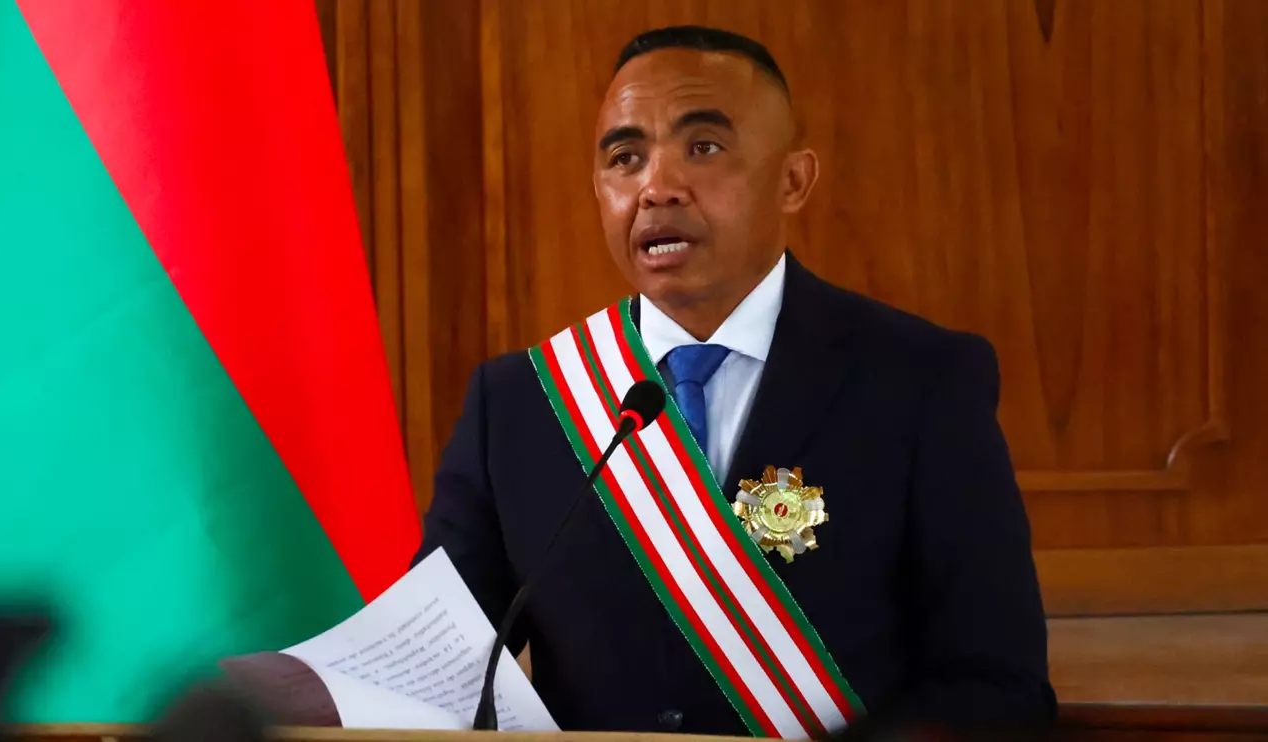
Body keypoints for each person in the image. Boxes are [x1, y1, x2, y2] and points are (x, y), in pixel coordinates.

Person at [413, 25, 1055, 738]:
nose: (656, 188)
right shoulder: (519, 405)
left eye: (703, 148)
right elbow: (434, 663)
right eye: (625, 159)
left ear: (791, 180)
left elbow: (995, 683)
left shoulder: (920, 381)